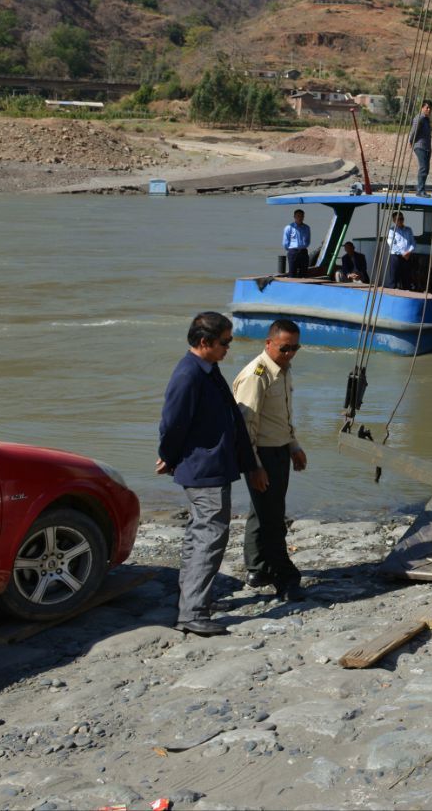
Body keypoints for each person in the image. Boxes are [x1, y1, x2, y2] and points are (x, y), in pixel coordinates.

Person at [157, 311, 268, 637]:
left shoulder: (209, 370)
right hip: (203, 470)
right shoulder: (188, 375)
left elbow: (232, 419)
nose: (228, 348)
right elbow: (171, 424)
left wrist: (250, 464)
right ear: (204, 342)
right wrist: (169, 457)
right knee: (209, 538)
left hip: (214, 466)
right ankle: (192, 613)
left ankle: (194, 600)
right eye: (224, 343)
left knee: (200, 536)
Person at [231, 319, 308, 602]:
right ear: (268, 343)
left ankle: (257, 567)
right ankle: (284, 577)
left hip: (279, 450)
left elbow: (281, 416)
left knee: (263, 511)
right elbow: (245, 427)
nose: (289, 354)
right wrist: (254, 467)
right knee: (273, 517)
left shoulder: (283, 370)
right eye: (284, 348)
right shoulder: (257, 375)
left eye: (295, 348)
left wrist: (294, 446)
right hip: (261, 454)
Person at [385, 210, 416, 290]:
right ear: (394, 220)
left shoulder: (409, 229)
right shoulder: (392, 230)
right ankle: (391, 294)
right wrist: (403, 253)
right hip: (396, 257)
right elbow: (391, 244)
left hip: (407, 256)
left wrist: (409, 252)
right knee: (394, 278)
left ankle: (406, 293)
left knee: (406, 278)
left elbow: (413, 242)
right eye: (398, 219)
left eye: (401, 218)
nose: (400, 220)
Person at [411, 100, 432, 195]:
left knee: (426, 169)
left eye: (430, 108)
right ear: (422, 108)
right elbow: (414, 131)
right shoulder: (419, 118)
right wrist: (411, 141)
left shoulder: (426, 120)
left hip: (426, 147)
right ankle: (420, 191)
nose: (429, 109)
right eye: (427, 107)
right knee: (423, 168)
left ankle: (421, 190)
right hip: (420, 146)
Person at [282, 209, 312, 278]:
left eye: (302, 216)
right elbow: (285, 242)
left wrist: (303, 246)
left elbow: (308, 241)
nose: (300, 218)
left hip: (303, 252)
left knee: (304, 273)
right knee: (292, 273)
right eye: (298, 216)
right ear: (294, 217)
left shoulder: (306, 228)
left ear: (303, 217)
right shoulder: (289, 227)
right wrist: (291, 250)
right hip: (293, 252)